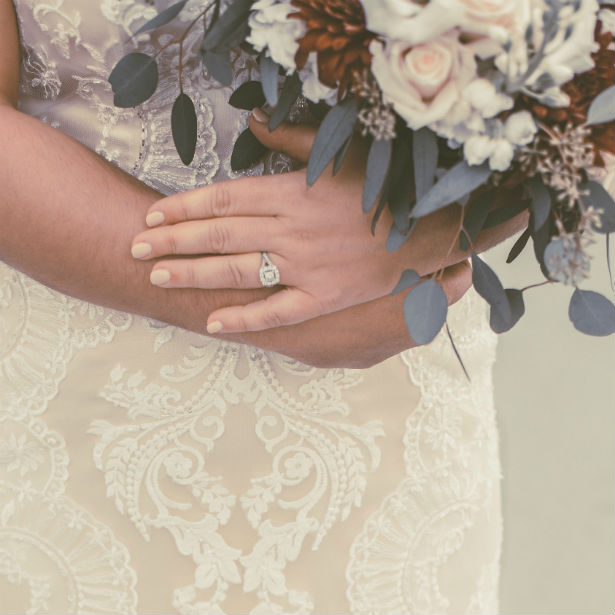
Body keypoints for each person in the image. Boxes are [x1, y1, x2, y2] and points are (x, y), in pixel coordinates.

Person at [0, 1, 526, 613]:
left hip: (388, 407)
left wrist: (428, 224)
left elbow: (581, 82)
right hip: (78, 401)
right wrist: (273, 297)